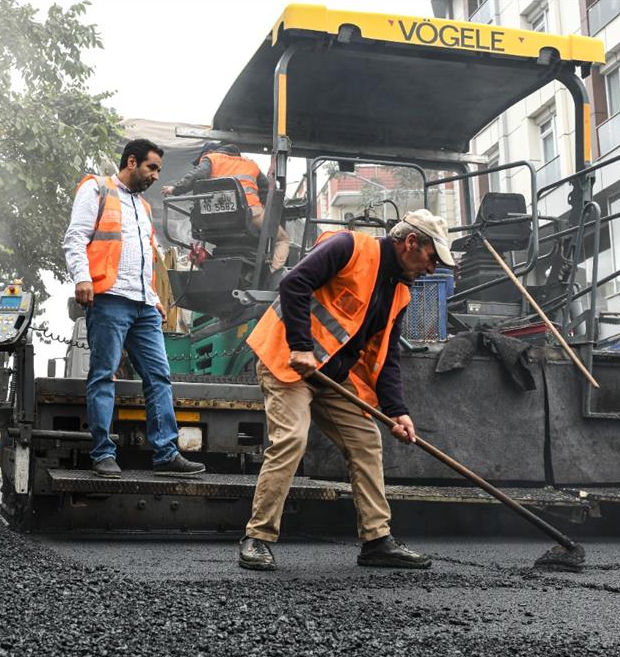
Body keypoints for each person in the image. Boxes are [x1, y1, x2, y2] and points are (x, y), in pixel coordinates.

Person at [238, 210, 456, 571]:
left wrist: (396, 410)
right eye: (432, 258)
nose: (432, 269)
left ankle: (376, 541)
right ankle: (257, 538)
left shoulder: (400, 292)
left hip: (333, 378)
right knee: (291, 438)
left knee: (366, 441)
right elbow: (294, 283)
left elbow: (386, 357)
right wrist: (300, 346)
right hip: (289, 362)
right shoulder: (350, 247)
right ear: (411, 242)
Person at [62, 137, 205, 479]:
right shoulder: (96, 190)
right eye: (151, 167)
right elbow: (75, 238)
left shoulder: (143, 208)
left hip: (142, 306)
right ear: (131, 162)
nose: (155, 175)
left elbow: (145, 259)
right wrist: (82, 277)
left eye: (158, 169)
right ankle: (103, 453)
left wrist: (154, 299)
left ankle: (166, 454)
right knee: (103, 375)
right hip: (109, 299)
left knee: (159, 377)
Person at [161, 142, 290, 273]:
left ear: (209, 152)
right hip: (251, 214)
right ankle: (271, 273)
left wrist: (175, 189)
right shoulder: (251, 165)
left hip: (210, 221)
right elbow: (267, 192)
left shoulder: (211, 159)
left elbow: (196, 175)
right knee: (282, 239)